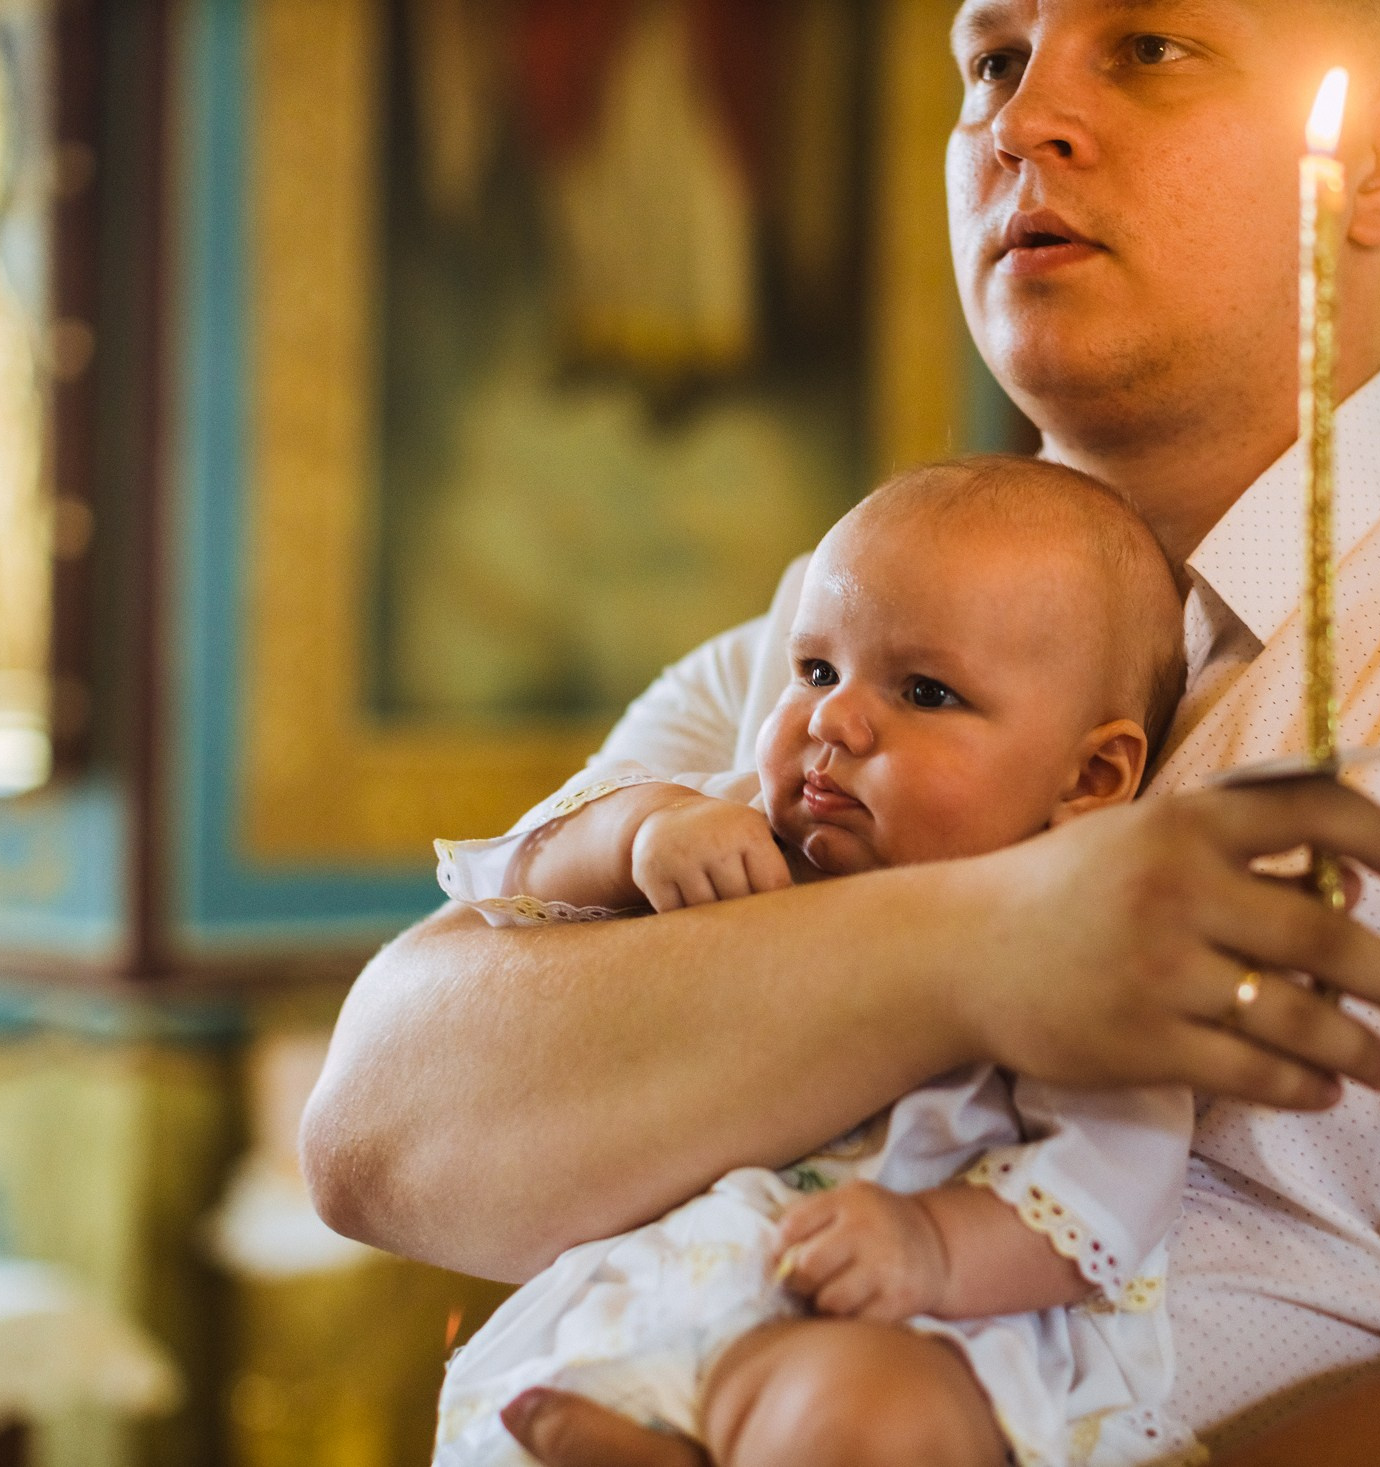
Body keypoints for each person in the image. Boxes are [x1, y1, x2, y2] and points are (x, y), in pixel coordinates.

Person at [303, 1, 1380, 1462]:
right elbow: (385, 1133)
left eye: (1148, 48)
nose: (1022, 120)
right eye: (992, 62)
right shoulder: (808, 656)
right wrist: (989, 944)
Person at [435, 458, 1202, 1467]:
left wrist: (932, 1247)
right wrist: (637, 832)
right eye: (814, 671)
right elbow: (501, 881)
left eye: (925, 692)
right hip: (648, 1316)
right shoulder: (741, 833)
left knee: (867, 1422)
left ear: (1089, 776)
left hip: (894, 1327)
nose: (833, 722)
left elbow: (1113, 1181)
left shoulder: (1078, 951)